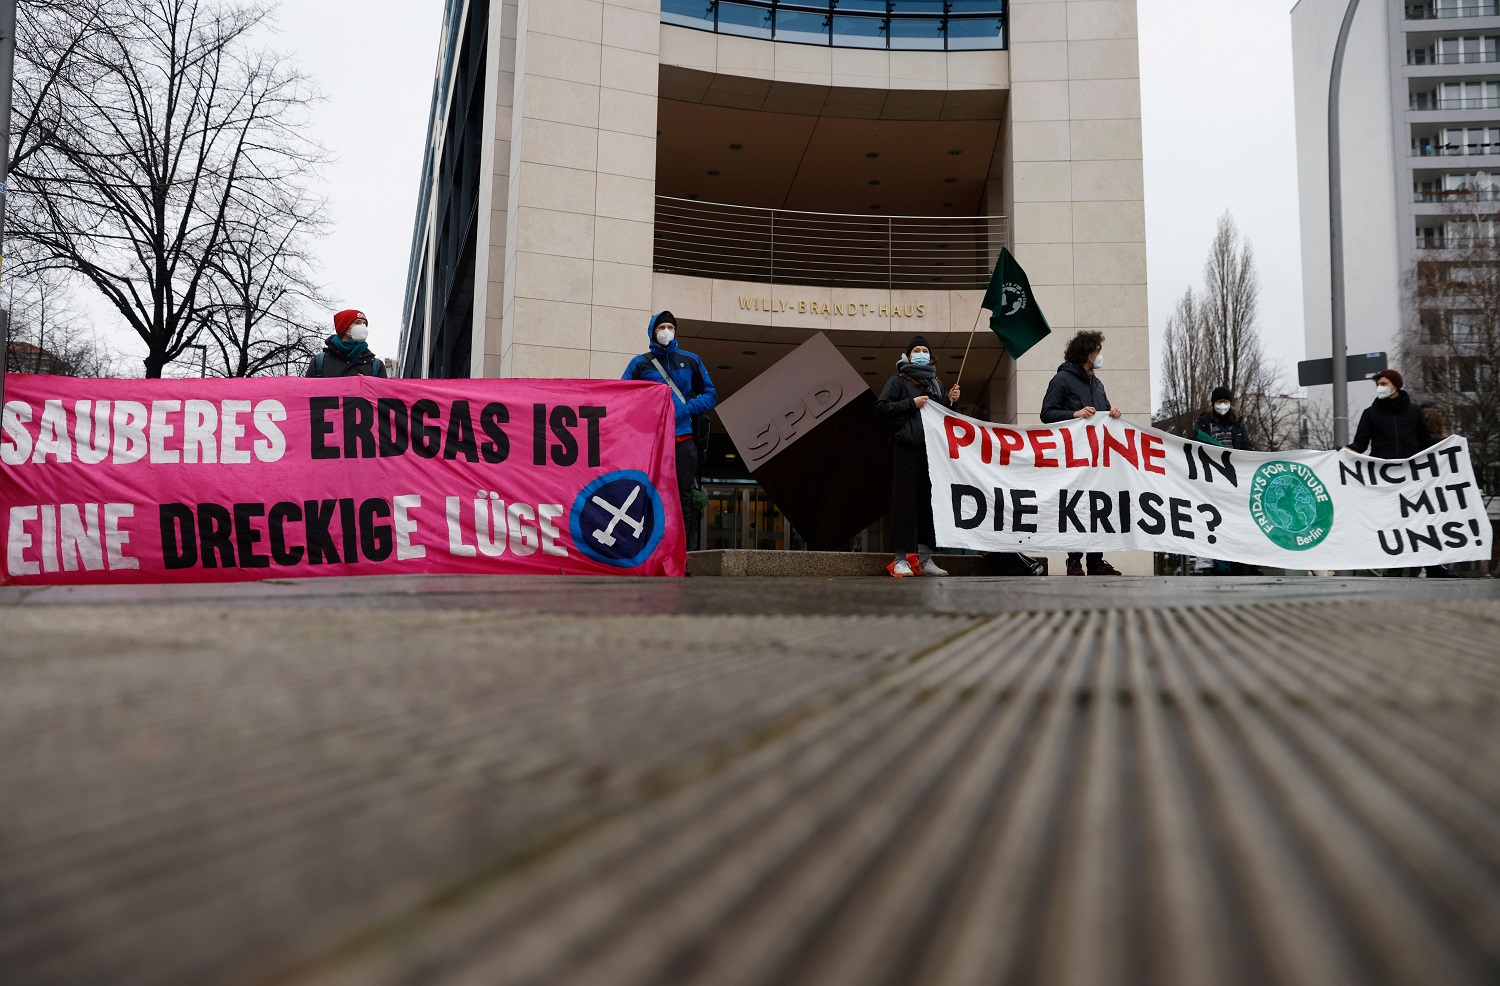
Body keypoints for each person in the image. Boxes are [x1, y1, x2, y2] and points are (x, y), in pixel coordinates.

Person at [1346, 370, 1454, 578]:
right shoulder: (1370, 413)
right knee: (1392, 521)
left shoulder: (1414, 412)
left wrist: (1448, 443)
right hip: (1385, 478)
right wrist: (1345, 451)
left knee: (1422, 520)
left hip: (1413, 475)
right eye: (1378, 383)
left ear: (1396, 385)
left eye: (1384, 382)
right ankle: (1394, 567)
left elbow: (1424, 438)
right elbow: (1361, 443)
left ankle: (1433, 567)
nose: (1380, 386)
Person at [623, 311, 717, 551]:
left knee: (682, 498)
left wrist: (688, 408)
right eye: (661, 327)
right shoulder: (639, 363)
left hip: (683, 439)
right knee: (648, 496)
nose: (666, 331)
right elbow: (623, 398)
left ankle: (680, 556)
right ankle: (647, 554)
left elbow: (711, 394)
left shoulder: (691, 360)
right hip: (652, 442)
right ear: (652, 331)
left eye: (670, 327)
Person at [1040, 330, 1123, 576]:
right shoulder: (1062, 380)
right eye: (1098, 351)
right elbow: (1047, 414)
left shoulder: (1097, 383)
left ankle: (1096, 560)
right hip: (1073, 455)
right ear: (1087, 353)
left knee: (1097, 505)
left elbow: (1103, 413)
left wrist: (1113, 414)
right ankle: (1074, 559)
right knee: (1075, 506)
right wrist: (1074, 414)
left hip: (1097, 457)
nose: (1100, 356)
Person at [876, 335, 960, 578]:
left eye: (925, 350)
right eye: (917, 350)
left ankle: (926, 559)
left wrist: (952, 403)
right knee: (904, 502)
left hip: (932, 451)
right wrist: (911, 403)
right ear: (908, 356)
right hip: (907, 448)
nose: (921, 353)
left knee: (929, 505)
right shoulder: (898, 380)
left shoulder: (937, 383)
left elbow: (944, 417)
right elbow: (881, 408)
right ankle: (901, 559)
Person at [305, 310, 388, 378]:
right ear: (344, 326)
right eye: (358, 322)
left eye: (364, 324)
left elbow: (384, 396)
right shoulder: (320, 362)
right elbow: (307, 393)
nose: (362, 327)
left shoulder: (375, 365)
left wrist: (368, 385)